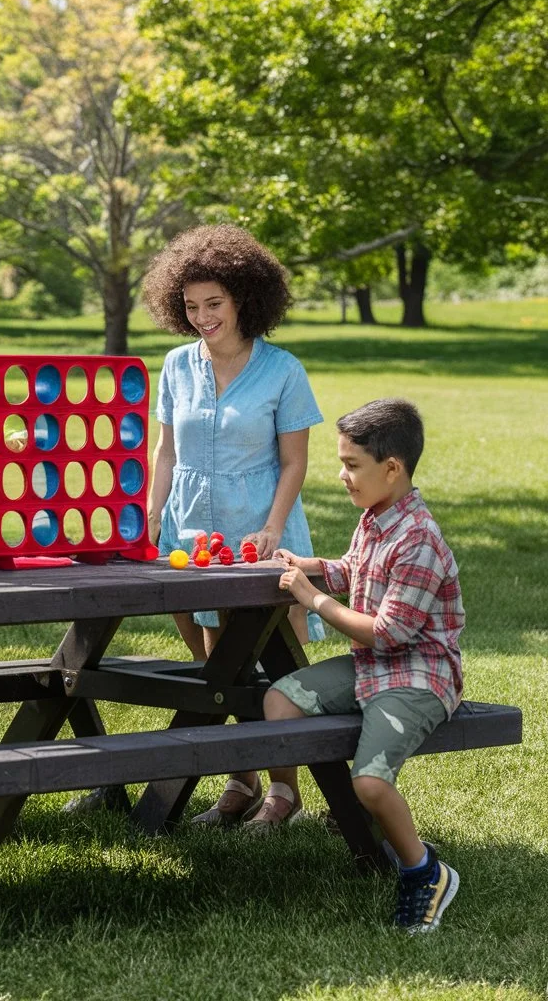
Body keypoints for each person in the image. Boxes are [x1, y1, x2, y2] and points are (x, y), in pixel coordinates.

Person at [142, 223, 324, 831]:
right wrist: (150, 510)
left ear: (244, 297)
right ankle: (240, 782)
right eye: (191, 306)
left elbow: (295, 461)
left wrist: (274, 529)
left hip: (263, 535)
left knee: (280, 672)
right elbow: (166, 453)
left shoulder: (282, 370)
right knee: (218, 670)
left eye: (213, 304)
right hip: (188, 537)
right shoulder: (174, 365)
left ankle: (285, 791)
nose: (202, 317)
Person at [268, 398, 464, 933]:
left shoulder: (418, 538)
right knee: (279, 700)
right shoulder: (376, 519)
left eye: (352, 465)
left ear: (392, 468)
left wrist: (311, 599)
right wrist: (306, 565)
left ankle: (424, 871)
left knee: (372, 783)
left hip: (419, 674)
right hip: (373, 668)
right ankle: (332, 809)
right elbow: (354, 569)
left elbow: (388, 632)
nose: (342, 475)